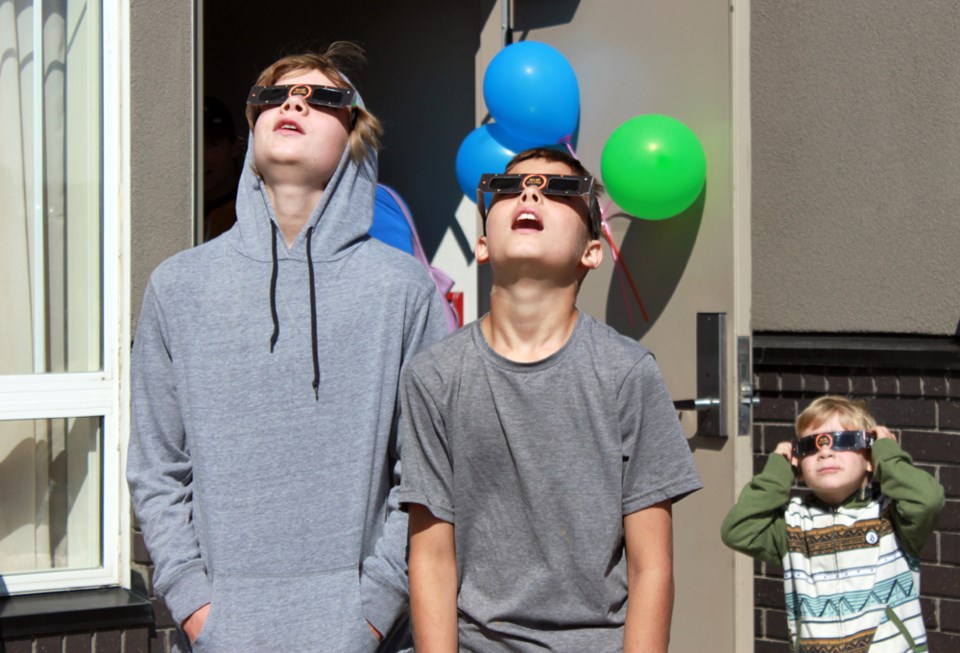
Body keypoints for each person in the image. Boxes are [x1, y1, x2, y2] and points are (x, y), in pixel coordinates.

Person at [127, 43, 448, 652]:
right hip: (220, 630)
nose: (292, 102)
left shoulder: (403, 288)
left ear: (355, 136)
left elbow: (428, 475)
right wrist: (194, 603)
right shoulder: (179, 285)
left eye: (322, 97)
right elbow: (156, 467)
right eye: (271, 95)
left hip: (362, 632)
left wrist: (374, 609)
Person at [399, 147, 703, 652]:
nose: (531, 192)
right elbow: (430, 557)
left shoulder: (627, 373)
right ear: (481, 244)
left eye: (559, 189)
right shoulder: (434, 376)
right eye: (508, 187)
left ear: (592, 250)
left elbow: (652, 568)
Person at [721, 396, 944, 652]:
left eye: (843, 441)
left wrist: (888, 455)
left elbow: (927, 500)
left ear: (870, 457)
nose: (825, 451)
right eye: (809, 446)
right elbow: (737, 529)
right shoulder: (793, 525)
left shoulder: (891, 516)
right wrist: (777, 472)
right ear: (799, 465)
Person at [202, 96, 242, 241]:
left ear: (234, 147)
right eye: (195, 146)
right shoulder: (179, 211)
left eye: (212, 144)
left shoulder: (249, 212)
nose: (202, 157)